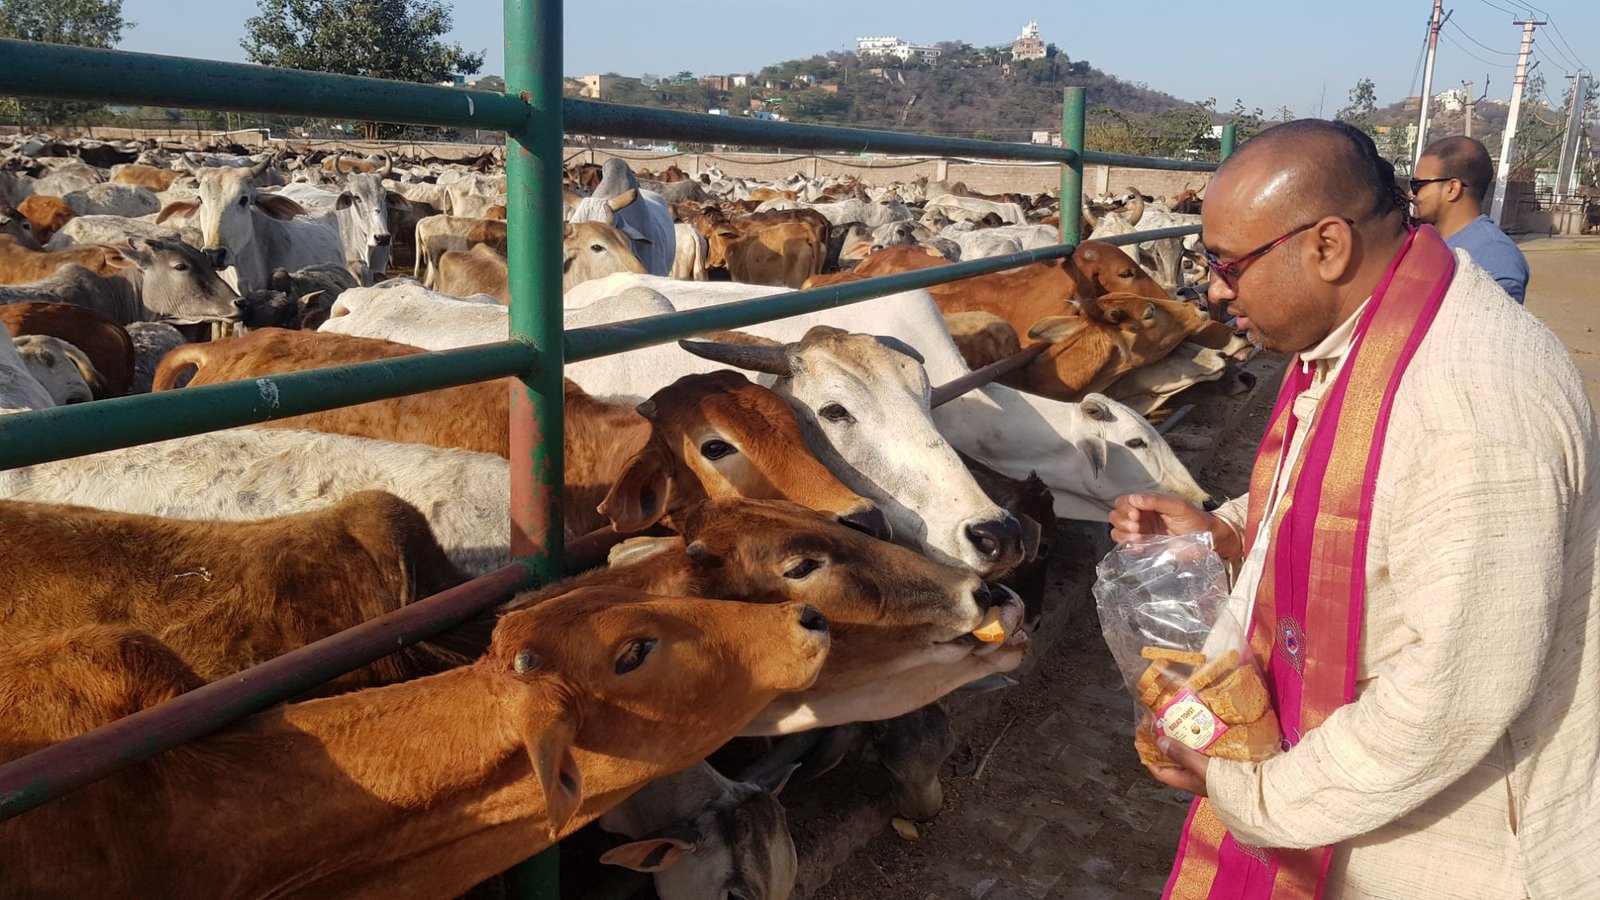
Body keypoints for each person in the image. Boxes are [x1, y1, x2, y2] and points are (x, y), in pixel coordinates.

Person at [1109, 118, 1599, 899]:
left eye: (1229, 265)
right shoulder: (1378, 334)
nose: (1213, 289)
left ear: (1327, 246)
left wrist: (1254, 794)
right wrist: (1229, 530)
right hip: (1359, 795)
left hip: (1450, 847)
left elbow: (1453, 692)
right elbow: (1349, 490)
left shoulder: (1473, 401)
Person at [1409, 135, 1530, 303]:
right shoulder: (1427, 240)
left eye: (1417, 185)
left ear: (1452, 188)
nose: (1411, 194)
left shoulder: (1495, 255)